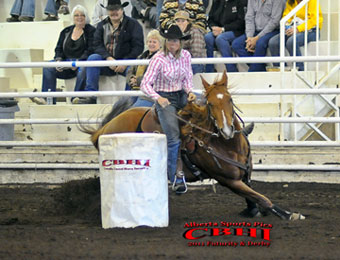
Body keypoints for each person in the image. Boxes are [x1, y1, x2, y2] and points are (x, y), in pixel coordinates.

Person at [140, 24, 196, 193]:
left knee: (203, 113)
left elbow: (187, 77)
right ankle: (174, 176)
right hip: (165, 96)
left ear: (180, 42)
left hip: (181, 94)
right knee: (173, 136)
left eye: (175, 41)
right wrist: (158, 97)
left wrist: (190, 91)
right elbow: (145, 84)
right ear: (166, 42)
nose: (172, 44)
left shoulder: (185, 55)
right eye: (170, 40)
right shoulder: (158, 58)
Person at [74, 0, 144, 104]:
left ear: (122, 10)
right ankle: (91, 96)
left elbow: (138, 47)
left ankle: (127, 101)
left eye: (116, 9)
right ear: (107, 11)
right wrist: (108, 58)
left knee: (132, 70)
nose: (114, 12)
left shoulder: (133, 24)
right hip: (107, 63)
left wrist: (125, 62)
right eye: (111, 10)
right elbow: (96, 44)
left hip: (125, 63)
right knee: (93, 58)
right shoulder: (101, 25)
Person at [31, 5, 95, 105]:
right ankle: (48, 99)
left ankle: (77, 98)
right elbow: (58, 48)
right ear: (73, 17)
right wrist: (58, 60)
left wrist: (78, 62)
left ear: (86, 17)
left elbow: (91, 49)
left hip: (80, 63)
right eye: (76, 15)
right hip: (66, 62)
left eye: (82, 15)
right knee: (48, 67)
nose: (79, 17)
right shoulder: (66, 31)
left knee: (83, 68)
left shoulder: (91, 31)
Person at [268, 0, 323, 71]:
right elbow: (286, 17)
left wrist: (298, 29)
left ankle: (300, 70)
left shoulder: (312, 1)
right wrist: (287, 26)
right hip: (293, 28)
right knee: (273, 42)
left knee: (291, 42)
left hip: (312, 31)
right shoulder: (290, 1)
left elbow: (314, 20)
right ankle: (281, 70)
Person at [232, 0, 286, 72]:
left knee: (260, 43)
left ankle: (252, 72)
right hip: (255, 31)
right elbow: (249, 18)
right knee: (237, 44)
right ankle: (261, 68)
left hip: (272, 30)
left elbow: (274, 22)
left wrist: (257, 38)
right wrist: (249, 37)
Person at [205, 0, 248, 72]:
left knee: (221, 39)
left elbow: (241, 22)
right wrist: (213, 27)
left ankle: (231, 70)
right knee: (208, 37)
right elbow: (210, 19)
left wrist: (223, 29)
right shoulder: (216, 2)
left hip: (237, 31)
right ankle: (209, 69)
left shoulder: (241, 2)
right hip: (218, 30)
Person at [126, 29, 163, 107]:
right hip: (134, 91)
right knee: (118, 107)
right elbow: (130, 70)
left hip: (148, 94)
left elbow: (156, 75)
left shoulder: (161, 58)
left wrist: (138, 81)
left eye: (154, 42)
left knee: (133, 110)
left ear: (160, 44)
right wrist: (131, 79)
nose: (151, 44)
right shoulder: (141, 56)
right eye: (149, 41)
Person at [174, 10, 206, 74]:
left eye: (183, 21)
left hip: (195, 63)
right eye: (178, 21)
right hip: (179, 62)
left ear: (188, 22)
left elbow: (197, 54)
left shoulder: (195, 32)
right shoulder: (174, 33)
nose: (180, 23)